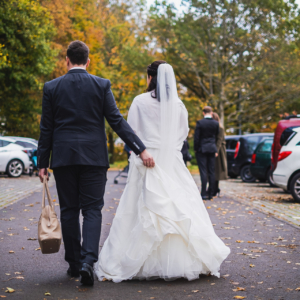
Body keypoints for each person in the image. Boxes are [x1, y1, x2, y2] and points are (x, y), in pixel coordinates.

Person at [94, 62, 230, 282]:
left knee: (143, 205)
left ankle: (138, 261)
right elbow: (183, 133)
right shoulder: (179, 105)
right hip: (172, 160)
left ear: (150, 77)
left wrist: (142, 150)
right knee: (178, 206)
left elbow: (131, 131)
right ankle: (185, 260)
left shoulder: (139, 101)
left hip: (146, 157)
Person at [37, 40, 155, 286]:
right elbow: (117, 121)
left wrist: (42, 163)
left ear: (66, 60)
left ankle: (73, 262)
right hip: (94, 158)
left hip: (63, 158)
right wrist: (140, 148)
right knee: (92, 210)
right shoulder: (101, 85)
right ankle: (88, 263)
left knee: (69, 210)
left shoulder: (52, 87)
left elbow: (46, 128)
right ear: (88, 61)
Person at [194, 106, 219, 200]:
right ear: (211, 113)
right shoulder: (216, 123)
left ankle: (203, 193)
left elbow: (197, 138)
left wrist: (196, 149)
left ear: (203, 113)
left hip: (202, 149)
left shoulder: (200, 123)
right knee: (212, 171)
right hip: (212, 148)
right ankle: (211, 193)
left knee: (203, 171)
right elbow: (216, 136)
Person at [212, 112, 228, 196]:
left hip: (219, 151)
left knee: (217, 170)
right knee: (214, 170)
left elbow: (219, 140)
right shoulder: (217, 127)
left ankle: (215, 189)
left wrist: (216, 151)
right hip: (216, 149)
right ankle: (214, 188)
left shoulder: (220, 128)